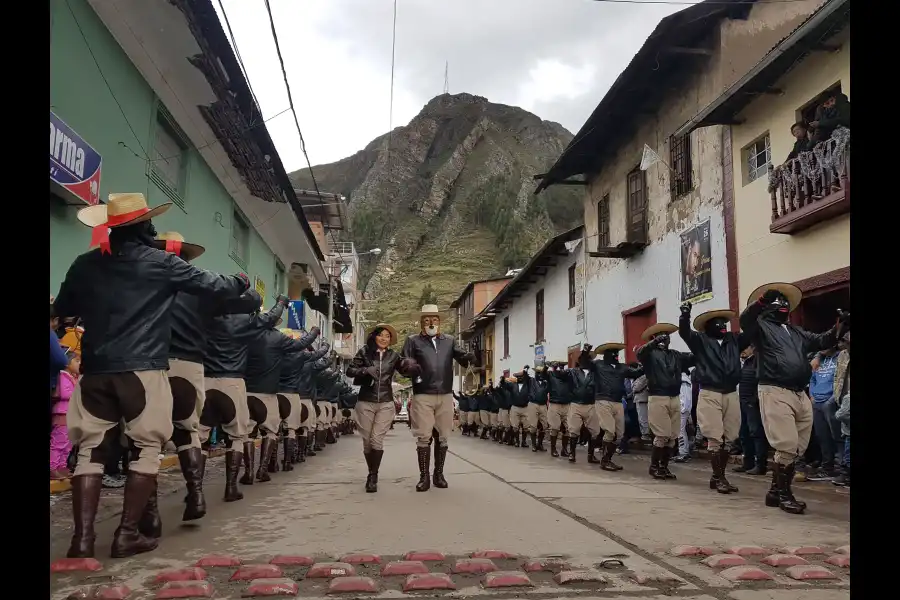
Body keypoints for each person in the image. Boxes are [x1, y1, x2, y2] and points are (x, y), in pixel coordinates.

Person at [54, 192, 249, 559]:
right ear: (145, 227)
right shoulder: (161, 263)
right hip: (143, 371)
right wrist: (240, 282)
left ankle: (82, 541)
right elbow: (215, 286)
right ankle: (127, 534)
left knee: (90, 452)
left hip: (96, 371)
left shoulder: (84, 264)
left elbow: (64, 307)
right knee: (148, 448)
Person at [739, 282, 848, 514]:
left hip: (799, 391)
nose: (783, 305)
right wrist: (760, 302)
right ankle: (785, 495)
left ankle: (774, 491)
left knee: (797, 446)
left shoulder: (796, 331)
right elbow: (745, 321)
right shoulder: (761, 327)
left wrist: (841, 326)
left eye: (785, 302)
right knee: (786, 445)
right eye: (777, 301)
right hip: (774, 389)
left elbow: (822, 341)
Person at [148, 232, 212, 528]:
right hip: (189, 366)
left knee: (145, 438)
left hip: (151, 363)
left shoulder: (146, 283)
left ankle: (149, 515)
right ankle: (196, 495)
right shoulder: (202, 291)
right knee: (188, 432)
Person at [399, 304, 474, 492]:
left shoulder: (449, 340)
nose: (430, 322)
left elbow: (461, 357)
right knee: (424, 436)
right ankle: (423, 477)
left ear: (439, 322)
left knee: (443, 436)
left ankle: (438, 474)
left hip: (445, 394)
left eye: (434, 319)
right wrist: (409, 367)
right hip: (423, 393)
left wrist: (470, 357)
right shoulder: (412, 340)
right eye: (426, 320)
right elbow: (403, 363)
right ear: (421, 322)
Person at [678, 303, 749, 494]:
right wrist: (684, 315)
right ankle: (719, 477)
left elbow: (751, 331)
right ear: (707, 327)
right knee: (715, 436)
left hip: (731, 392)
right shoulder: (700, 341)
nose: (722, 325)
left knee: (730, 436)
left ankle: (718, 476)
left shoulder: (733, 341)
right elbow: (685, 333)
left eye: (724, 322)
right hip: (710, 392)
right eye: (717, 323)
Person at [346, 323, 402, 493]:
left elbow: (405, 369)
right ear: (374, 336)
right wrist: (365, 370)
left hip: (386, 401)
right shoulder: (364, 352)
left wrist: (413, 366)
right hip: (365, 401)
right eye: (381, 335)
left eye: (387, 336)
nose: (384, 338)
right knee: (367, 442)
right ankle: (372, 471)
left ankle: (373, 475)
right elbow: (350, 371)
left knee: (376, 439)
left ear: (390, 340)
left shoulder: (394, 356)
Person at [637, 324, 694, 480]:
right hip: (658, 397)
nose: (664, 338)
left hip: (674, 397)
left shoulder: (676, 355)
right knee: (661, 435)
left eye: (666, 335)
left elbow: (692, 358)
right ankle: (654, 467)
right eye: (659, 335)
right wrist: (653, 344)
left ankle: (664, 467)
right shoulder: (649, 355)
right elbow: (640, 353)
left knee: (672, 436)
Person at [587, 343, 642, 471]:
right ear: (607, 355)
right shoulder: (598, 365)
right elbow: (585, 363)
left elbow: (636, 373)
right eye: (613, 353)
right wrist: (585, 352)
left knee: (619, 433)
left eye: (617, 353)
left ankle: (608, 459)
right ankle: (605, 461)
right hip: (603, 400)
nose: (615, 355)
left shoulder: (622, 367)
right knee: (609, 430)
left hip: (618, 401)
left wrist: (646, 360)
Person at [565, 345, 601, 462]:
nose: (587, 361)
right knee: (574, 430)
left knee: (595, 431)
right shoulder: (573, 372)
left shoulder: (595, 373)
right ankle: (572, 453)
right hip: (576, 404)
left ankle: (591, 455)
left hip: (591, 404)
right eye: (585, 358)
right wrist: (585, 352)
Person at [51, 351, 80, 480]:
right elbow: (63, 393)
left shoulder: (73, 377)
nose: (79, 364)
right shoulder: (62, 376)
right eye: (76, 361)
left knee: (68, 443)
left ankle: (62, 466)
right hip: (63, 413)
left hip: (71, 414)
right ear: (67, 363)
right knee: (59, 442)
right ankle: (53, 467)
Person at [545, 361, 571, 457]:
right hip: (554, 403)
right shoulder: (550, 375)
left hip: (567, 404)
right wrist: (546, 366)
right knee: (554, 427)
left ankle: (564, 450)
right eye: (559, 367)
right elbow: (543, 374)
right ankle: (553, 449)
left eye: (562, 367)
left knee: (568, 428)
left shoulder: (568, 376)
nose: (561, 370)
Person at [673, 370, 693, 463]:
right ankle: (684, 451)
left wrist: (682, 409)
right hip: (684, 409)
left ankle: (683, 453)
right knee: (681, 431)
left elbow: (684, 397)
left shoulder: (683, 380)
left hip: (682, 410)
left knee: (680, 431)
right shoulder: (685, 379)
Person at [529, 369, 551, 451]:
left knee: (544, 426)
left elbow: (549, 389)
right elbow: (525, 378)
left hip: (543, 405)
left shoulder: (545, 383)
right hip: (533, 404)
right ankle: (534, 445)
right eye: (538, 373)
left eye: (541, 373)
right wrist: (525, 370)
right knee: (533, 426)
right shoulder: (531, 381)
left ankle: (540, 444)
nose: (539, 375)